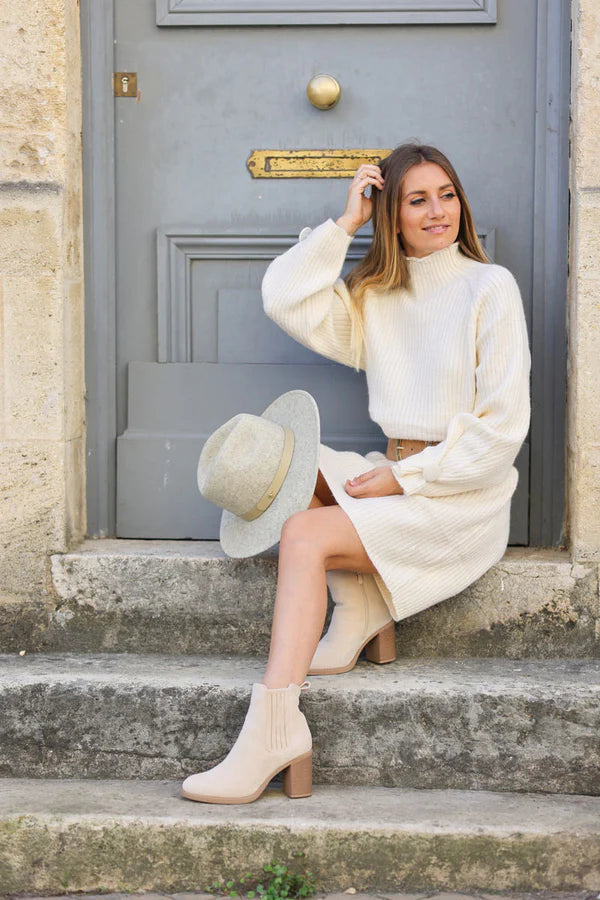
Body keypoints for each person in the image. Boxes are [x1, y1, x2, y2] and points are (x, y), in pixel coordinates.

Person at [180, 142, 531, 805]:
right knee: (288, 462)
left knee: (306, 536)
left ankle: (274, 730)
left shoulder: (491, 287)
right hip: (396, 474)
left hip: (460, 496)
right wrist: (344, 223)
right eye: (416, 200)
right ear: (390, 217)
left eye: (447, 195)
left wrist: (408, 479)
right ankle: (363, 604)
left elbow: (502, 430)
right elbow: (285, 298)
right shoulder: (376, 296)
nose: (437, 212)